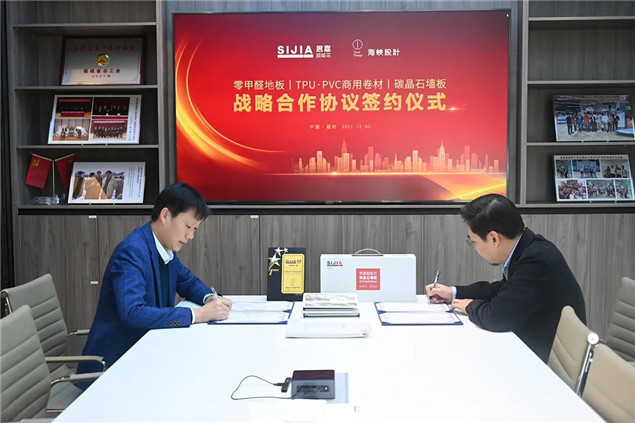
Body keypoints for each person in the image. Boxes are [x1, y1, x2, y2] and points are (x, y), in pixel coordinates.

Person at [76, 182, 232, 386]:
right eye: (187, 227)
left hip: (146, 356)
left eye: (195, 229)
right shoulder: (133, 251)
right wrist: (198, 315)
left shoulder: (164, 249)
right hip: (114, 369)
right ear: (165, 215)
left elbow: (188, 282)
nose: (190, 236)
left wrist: (210, 298)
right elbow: (133, 312)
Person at [426, 194, 586, 363]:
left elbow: (497, 317)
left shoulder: (536, 261)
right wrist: (453, 293)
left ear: (494, 238)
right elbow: (503, 290)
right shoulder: (528, 248)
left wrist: (470, 306)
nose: (474, 248)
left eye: (473, 242)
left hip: (544, 364)